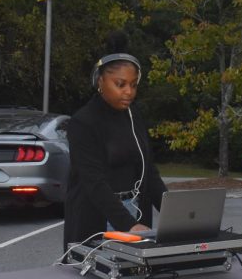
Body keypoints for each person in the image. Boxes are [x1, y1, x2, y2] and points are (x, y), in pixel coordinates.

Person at [62, 37, 167, 250]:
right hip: (99, 218)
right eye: (120, 84)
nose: (128, 91)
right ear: (100, 82)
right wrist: (128, 225)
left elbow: (149, 173)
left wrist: (177, 213)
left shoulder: (133, 116)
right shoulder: (83, 122)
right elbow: (93, 183)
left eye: (133, 85)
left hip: (135, 211)